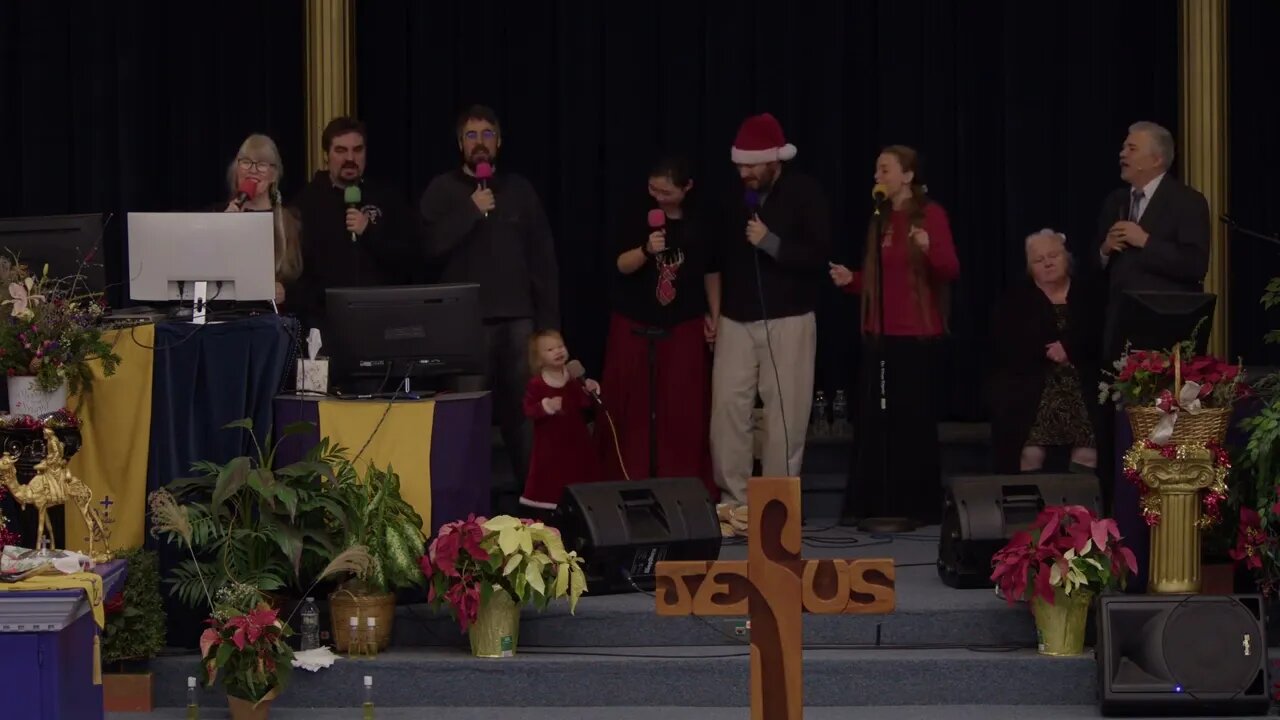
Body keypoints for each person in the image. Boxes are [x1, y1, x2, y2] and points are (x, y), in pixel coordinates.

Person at [420, 105, 560, 488]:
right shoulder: (443, 190)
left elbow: (542, 260)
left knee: (526, 419)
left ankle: (535, 506)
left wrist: (549, 326)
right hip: (467, 326)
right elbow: (426, 249)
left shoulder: (519, 190)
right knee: (468, 420)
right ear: (459, 144)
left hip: (518, 322)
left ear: (498, 142)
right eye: (471, 135)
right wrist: (470, 210)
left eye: (486, 135)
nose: (479, 143)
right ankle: (467, 512)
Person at [829, 145, 959, 526]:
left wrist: (928, 248)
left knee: (911, 421)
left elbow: (950, 269)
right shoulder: (880, 218)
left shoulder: (931, 216)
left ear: (907, 175)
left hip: (915, 335)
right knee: (874, 420)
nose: (877, 177)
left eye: (884, 169)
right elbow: (880, 281)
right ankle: (873, 504)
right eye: (875, 170)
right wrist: (851, 280)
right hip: (879, 333)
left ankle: (915, 506)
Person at [711, 113, 829, 527]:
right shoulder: (733, 195)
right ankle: (734, 502)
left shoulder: (804, 192)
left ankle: (776, 506)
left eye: (752, 165)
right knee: (728, 409)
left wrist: (771, 243)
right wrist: (715, 312)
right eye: (740, 165)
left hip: (789, 317)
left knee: (785, 414)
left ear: (774, 160)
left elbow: (817, 255)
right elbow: (717, 257)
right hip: (736, 317)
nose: (745, 172)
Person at [598, 156, 718, 497]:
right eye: (653, 189)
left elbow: (712, 271)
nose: (659, 197)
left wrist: (715, 314)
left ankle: (684, 487)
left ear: (687, 188)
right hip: (634, 323)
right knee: (630, 408)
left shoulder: (700, 222)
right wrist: (646, 250)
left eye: (667, 191)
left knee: (682, 409)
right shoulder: (637, 215)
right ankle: (625, 483)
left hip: (682, 325)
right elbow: (620, 265)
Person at [290, 116, 421, 334]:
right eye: (341, 150)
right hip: (326, 323)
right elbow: (297, 272)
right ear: (326, 155)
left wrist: (369, 231)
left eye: (357, 150)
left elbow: (410, 256)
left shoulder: (387, 198)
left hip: (381, 318)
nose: (350, 158)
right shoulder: (305, 204)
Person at [988, 229, 1102, 475]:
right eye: (1039, 260)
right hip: (1033, 382)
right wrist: (1044, 352)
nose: (1048, 263)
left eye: (1053, 256)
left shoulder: (1089, 294)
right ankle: (1034, 511)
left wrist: (1069, 348)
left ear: (1067, 258)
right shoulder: (1015, 299)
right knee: (1031, 452)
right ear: (1030, 268)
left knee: (1087, 452)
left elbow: (1100, 334)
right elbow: (1006, 345)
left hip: (1082, 382)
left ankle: (1084, 511)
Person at [1097, 120, 1211, 360]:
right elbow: (1094, 269)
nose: (1122, 153)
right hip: (1119, 328)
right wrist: (1105, 250)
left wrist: (1146, 241)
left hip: (1166, 327)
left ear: (1156, 159)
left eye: (1132, 148)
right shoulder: (1115, 201)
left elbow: (1195, 264)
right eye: (1123, 147)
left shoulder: (1187, 201)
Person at [521, 330, 602, 516]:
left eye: (560, 347)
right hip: (551, 444)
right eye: (550, 349)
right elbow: (529, 409)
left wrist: (590, 389)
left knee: (580, 470)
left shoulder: (572, 377)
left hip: (576, 438)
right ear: (538, 358)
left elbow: (583, 402)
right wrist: (546, 405)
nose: (558, 351)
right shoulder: (537, 384)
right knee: (553, 476)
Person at [220, 134, 302, 306]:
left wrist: (285, 291)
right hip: (228, 316)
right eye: (246, 162)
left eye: (262, 164)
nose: (253, 170)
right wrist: (221, 227)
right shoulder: (219, 215)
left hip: (271, 319)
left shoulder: (289, 221)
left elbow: (305, 281)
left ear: (274, 174)